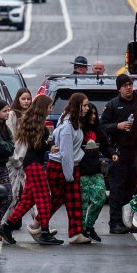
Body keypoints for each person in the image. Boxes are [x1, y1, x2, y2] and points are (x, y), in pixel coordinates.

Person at [0, 94, 63, 246]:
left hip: (31, 163)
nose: (51, 109)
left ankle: (6, 227)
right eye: (49, 107)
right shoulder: (38, 124)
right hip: (35, 164)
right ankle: (45, 232)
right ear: (43, 108)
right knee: (44, 198)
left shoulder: (31, 121)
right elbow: (37, 145)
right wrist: (49, 146)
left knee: (28, 199)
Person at [101, 74, 137, 234]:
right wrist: (117, 126)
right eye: (125, 85)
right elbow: (103, 126)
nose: (129, 87)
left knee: (131, 187)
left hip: (136, 151)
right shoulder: (113, 105)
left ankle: (127, 221)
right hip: (119, 151)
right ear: (119, 88)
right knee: (117, 188)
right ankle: (115, 223)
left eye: (130, 84)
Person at [44, 92, 90, 244]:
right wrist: (69, 174)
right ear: (77, 106)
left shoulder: (74, 122)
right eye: (84, 105)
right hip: (62, 167)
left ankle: (75, 233)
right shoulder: (68, 126)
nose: (87, 108)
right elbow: (66, 153)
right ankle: (38, 223)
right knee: (56, 199)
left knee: (74, 201)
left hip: (70, 166)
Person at [79, 103, 114, 242]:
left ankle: (89, 225)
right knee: (82, 203)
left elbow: (105, 146)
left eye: (95, 114)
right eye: (90, 114)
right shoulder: (78, 129)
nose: (93, 116)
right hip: (80, 171)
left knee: (99, 198)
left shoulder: (98, 130)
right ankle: (81, 230)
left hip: (95, 170)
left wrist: (113, 154)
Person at [4, 88, 32, 226]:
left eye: (28, 99)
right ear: (18, 99)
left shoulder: (32, 115)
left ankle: (39, 224)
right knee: (13, 192)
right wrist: (14, 157)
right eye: (23, 99)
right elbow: (10, 136)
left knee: (30, 194)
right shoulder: (12, 115)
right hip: (15, 159)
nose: (26, 101)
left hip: (29, 159)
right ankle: (6, 222)